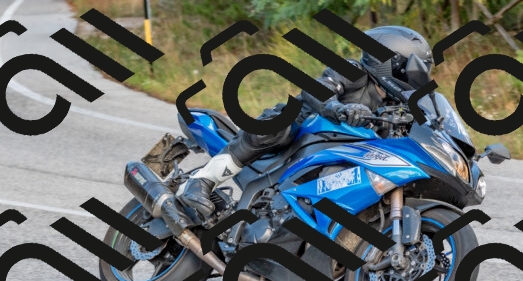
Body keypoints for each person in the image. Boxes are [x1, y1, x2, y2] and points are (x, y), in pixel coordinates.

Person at [180, 25, 434, 217]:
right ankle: (202, 181)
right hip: (300, 131)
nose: (417, 79)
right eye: (413, 70)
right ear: (392, 64)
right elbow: (316, 90)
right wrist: (337, 108)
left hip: (341, 157)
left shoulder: (398, 107)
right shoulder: (353, 72)